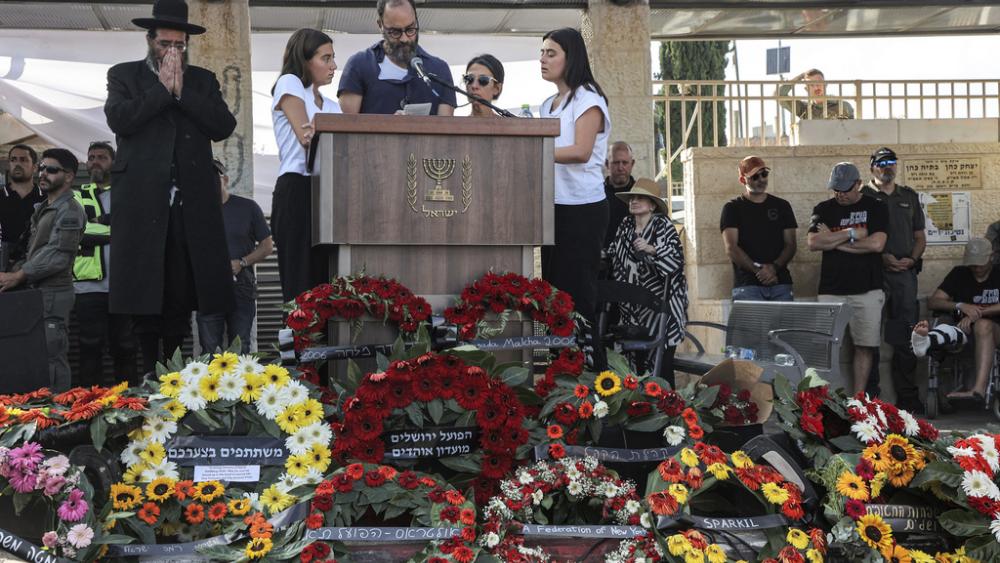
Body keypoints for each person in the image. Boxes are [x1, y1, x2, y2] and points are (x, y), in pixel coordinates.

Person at [105, 0, 237, 374]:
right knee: (145, 289)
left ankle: (177, 372)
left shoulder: (202, 80)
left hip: (188, 202)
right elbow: (120, 120)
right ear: (150, 40)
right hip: (143, 202)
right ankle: (149, 371)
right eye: (165, 44)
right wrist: (161, 91)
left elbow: (222, 125)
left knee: (181, 290)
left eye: (179, 45)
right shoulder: (124, 76)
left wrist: (181, 93)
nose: (173, 52)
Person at [539, 27, 610, 326]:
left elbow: (581, 151)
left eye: (551, 53)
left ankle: (583, 367)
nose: (542, 59)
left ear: (572, 58)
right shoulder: (547, 104)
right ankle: (556, 365)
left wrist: (534, 152)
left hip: (583, 210)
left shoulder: (588, 98)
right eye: (541, 53)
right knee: (551, 296)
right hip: (551, 208)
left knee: (577, 297)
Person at [0, 148, 86, 392]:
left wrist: (19, 274)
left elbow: (58, 255)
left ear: (69, 176)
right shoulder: (44, 208)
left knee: (52, 357)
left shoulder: (69, 209)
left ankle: (59, 419)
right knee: (34, 359)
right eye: (42, 168)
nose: (43, 174)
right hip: (35, 292)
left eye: (51, 170)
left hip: (53, 293)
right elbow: (34, 251)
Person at [270, 28, 340, 303]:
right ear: (305, 59)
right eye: (326, 58)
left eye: (333, 58)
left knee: (326, 278)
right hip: (297, 188)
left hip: (327, 191)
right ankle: (301, 344)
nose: (334, 66)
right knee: (300, 282)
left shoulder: (332, 105)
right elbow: (306, 136)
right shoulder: (289, 82)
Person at [807, 162, 888, 395]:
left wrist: (833, 241)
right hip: (831, 289)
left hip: (868, 289)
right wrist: (851, 234)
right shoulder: (823, 208)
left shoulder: (876, 207)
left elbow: (877, 244)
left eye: (845, 189)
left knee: (865, 346)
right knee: (826, 348)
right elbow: (813, 243)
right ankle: (827, 399)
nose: (840, 194)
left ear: (859, 184)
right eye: (836, 189)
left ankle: (860, 400)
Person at [860, 147, 926, 412]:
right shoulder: (863, 196)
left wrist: (912, 258)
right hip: (873, 273)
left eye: (892, 162)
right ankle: (871, 397)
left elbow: (920, 236)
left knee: (905, 335)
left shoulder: (908, 196)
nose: (888, 167)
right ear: (873, 167)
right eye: (883, 163)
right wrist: (883, 256)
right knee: (869, 334)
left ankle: (908, 397)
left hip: (904, 276)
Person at [608, 179, 687, 388]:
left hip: (661, 309)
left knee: (660, 371)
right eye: (632, 198)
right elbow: (614, 253)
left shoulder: (663, 225)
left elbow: (676, 261)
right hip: (631, 310)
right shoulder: (625, 225)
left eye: (640, 198)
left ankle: (664, 411)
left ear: (652, 205)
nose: (634, 201)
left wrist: (653, 249)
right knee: (631, 369)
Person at [72, 141, 137, 387]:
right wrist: (113, 225)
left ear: (113, 162)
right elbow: (79, 232)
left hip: (123, 286)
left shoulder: (127, 193)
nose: (95, 161)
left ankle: (129, 405)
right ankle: (90, 408)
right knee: (90, 349)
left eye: (102, 157)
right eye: (91, 157)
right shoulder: (76, 196)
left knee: (126, 348)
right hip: (88, 287)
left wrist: (99, 223)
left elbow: (135, 230)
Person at [197, 160, 273, 354]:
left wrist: (242, 262)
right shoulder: (196, 211)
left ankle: (241, 385)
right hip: (208, 289)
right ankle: (211, 385)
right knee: (209, 351)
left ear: (225, 180)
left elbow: (267, 246)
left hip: (241, 287)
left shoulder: (248, 207)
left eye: (214, 179)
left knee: (240, 348)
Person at [338, 0, 456, 115]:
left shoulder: (439, 70)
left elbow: (445, 128)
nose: (404, 39)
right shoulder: (359, 65)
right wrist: (391, 126)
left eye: (410, 29)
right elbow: (347, 127)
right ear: (380, 25)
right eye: (395, 32)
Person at [924, 238, 1000, 402]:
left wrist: (976, 313)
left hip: (995, 331)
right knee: (947, 328)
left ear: (992, 257)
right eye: (973, 264)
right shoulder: (960, 273)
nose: (976, 268)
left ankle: (978, 389)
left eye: (980, 263)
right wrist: (961, 306)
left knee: (983, 324)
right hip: (963, 333)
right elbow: (933, 301)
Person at [720, 156, 797, 301]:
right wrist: (759, 272)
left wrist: (773, 268)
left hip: (780, 283)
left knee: (785, 325)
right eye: (755, 176)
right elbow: (731, 247)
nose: (761, 179)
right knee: (750, 325)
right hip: (747, 286)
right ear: (743, 180)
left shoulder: (782, 206)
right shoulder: (732, 208)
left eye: (764, 174)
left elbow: (791, 244)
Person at [0, 145, 45, 271]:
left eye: (23, 160)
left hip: (38, 270)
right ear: (9, 165)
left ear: (35, 167)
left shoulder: (47, 198)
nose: (17, 163)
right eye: (13, 160)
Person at [776, 68, 854, 120]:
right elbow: (778, 94)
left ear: (825, 84)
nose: (816, 87)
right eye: (811, 85)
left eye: (819, 83)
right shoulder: (804, 109)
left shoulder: (843, 106)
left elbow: (854, 133)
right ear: (806, 89)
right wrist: (799, 77)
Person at [603, 141, 636, 250]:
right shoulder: (596, 195)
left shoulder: (642, 196)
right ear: (607, 164)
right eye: (616, 162)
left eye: (625, 162)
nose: (621, 168)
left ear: (632, 164)